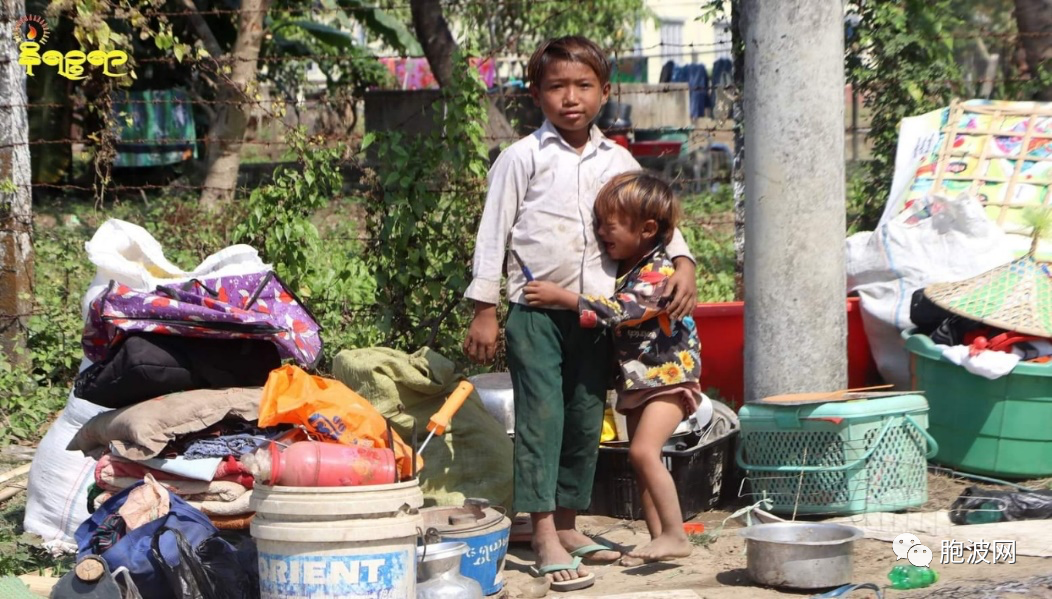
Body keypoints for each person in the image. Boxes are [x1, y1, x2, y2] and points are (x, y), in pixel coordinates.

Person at [462, 36, 697, 591]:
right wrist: (484, 309)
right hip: (537, 311)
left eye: (583, 86)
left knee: (586, 417)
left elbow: (651, 209)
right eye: (556, 87)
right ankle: (541, 531)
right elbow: (492, 235)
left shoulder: (617, 158)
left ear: (605, 92)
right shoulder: (521, 157)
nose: (571, 98)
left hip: (600, 318)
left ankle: (568, 525)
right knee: (542, 419)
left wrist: (682, 259)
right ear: (535, 94)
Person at [523, 172, 699, 567]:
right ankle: (657, 542)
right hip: (642, 381)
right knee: (642, 462)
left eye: (610, 225)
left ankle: (675, 534)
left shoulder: (658, 274)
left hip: (667, 380)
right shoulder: (632, 267)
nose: (601, 232)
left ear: (648, 229)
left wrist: (562, 297)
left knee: (643, 451)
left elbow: (619, 311)